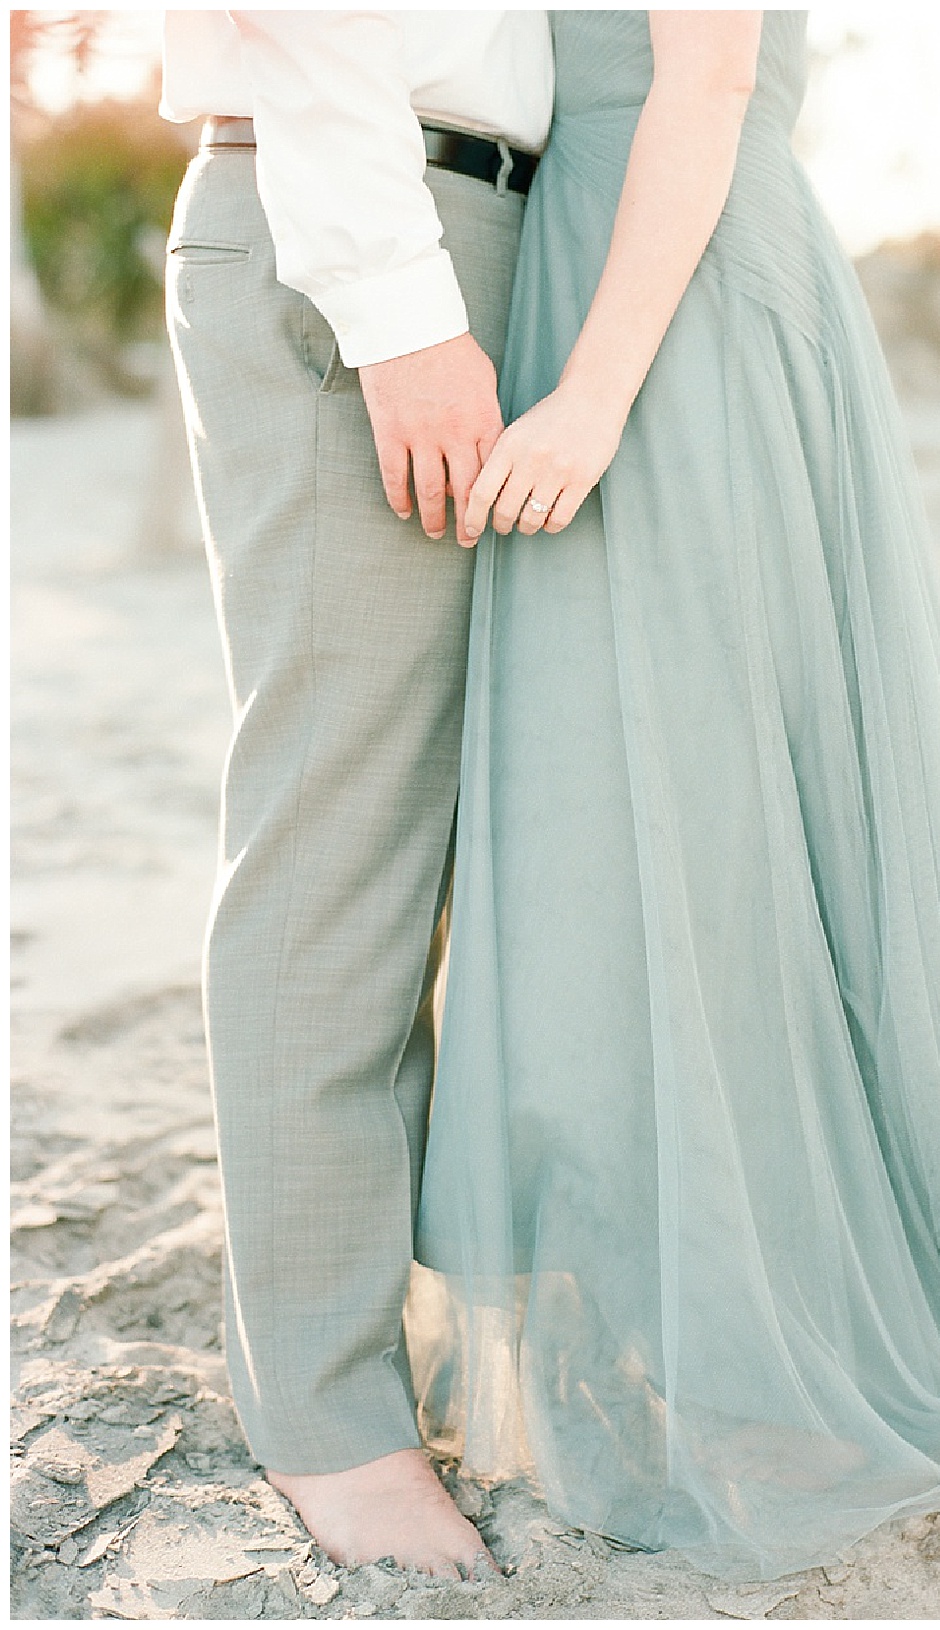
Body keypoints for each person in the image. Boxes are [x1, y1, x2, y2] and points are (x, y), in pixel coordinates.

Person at [413, 11, 940, 1580]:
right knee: (638, 809)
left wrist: (597, 391)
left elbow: (713, 73)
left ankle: (780, 1319)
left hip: (665, 292)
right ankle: (700, 1288)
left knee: (714, 817)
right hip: (604, 263)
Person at [160, 10, 552, 1578]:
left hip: (468, 217)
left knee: (430, 831)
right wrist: (397, 312)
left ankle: (387, 1331)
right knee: (341, 833)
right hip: (368, 224)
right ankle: (328, 1418)